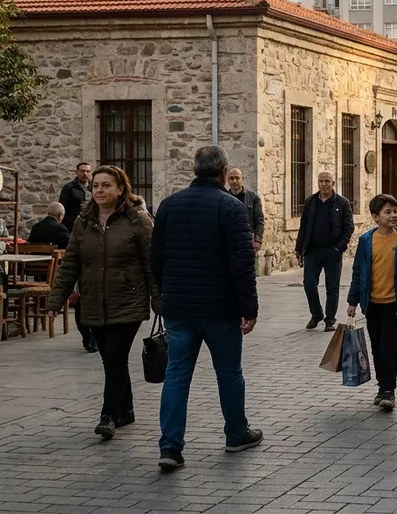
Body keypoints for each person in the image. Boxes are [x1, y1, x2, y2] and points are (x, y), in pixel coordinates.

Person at [152, 146, 261, 472]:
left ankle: (171, 446)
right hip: (220, 309)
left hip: (180, 307)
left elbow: (156, 258)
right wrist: (249, 308)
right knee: (228, 373)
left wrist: (164, 292)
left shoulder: (170, 206)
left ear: (195, 169)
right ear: (225, 172)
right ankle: (236, 432)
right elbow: (242, 266)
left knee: (176, 375)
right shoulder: (231, 208)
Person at [47, 166, 158, 440]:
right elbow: (71, 264)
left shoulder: (138, 221)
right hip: (94, 301)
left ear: (121, 189)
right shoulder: (83, 222)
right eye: (96, 185)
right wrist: (55, 300)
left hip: (127, 300)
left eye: (105, 185)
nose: (99, 190)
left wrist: (160, 298)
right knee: (110, 359)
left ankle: (108, 415)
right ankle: (127, 408)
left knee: (116, 358)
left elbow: (153, 264)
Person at [346, 194, 397, 412]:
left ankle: (389, 391)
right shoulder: (366, 240)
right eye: (388, 212)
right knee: (376, 347)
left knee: (389, 346)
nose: (393, 215)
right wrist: (352, 301)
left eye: (395, 211)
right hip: (371, 303)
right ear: (375, 217)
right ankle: (382, 387)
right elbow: (358, 272)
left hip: (394, 303)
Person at [30, 202, 96, 352]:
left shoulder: (35, 227)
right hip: (53, 273)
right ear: (60, 216)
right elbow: (71, 249)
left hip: (35, 272)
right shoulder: (60, 228)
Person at [295, 171, 354, 331]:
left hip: (332, 252)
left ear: (333, 183)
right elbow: (304, 226)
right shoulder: (311, 202)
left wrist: (339, 247)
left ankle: (330, 319)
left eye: (327, 181)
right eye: (321, 181)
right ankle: (316, 314)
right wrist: (299, 248)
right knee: (309, 284)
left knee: (332, 287)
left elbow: (348, 227)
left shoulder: (342, 203)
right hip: (313, 251)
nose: (324, 184)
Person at [227, 168, 264, 253]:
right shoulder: (224, 197)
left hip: (247, 242)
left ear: (242, 179)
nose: (234, 181)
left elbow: (259, 220)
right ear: (227, 180)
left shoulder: (253, 198)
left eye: (237, 178)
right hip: (229, 242)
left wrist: (258, 240)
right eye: (231, 178)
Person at [58, 162, 92, 232]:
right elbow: (62, 208)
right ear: (77, 172)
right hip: (73, 226)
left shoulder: (95, 187)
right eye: (82, 171)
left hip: (91, 225)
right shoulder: (69, 188)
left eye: (88, 171)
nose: (85, 173)